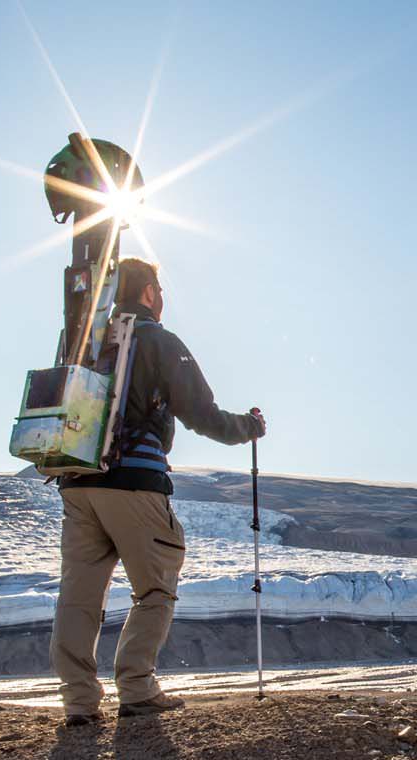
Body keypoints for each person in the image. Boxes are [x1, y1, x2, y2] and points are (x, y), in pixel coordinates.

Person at [51, 256, 265, 725]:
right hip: (134, 483)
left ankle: (79, 703)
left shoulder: (84, 339)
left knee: (79, 595)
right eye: (160, 289)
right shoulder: (158, 340)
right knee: (156, 586)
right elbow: (202, 415)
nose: (163, 298)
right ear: (148, 291)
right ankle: (137, 687)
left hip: (75, 480)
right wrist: (249, 427)